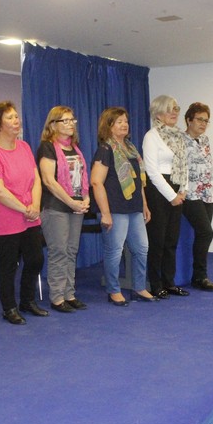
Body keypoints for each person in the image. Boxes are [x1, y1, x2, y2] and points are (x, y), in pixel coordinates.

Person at [0, 101, 47, 325]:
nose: (16, 121)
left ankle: (27, 301)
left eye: (16, 116)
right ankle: (9, 307)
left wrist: (35, 205)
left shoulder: (25, 147)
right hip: (7, 217)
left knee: (36, 259)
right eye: (10, 117)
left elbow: (36, 179)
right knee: (8, 265)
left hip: (31, 214)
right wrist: (24, 208)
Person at [91, 107, 154, 306]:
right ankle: (113, 290)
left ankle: (139, 287)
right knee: (115, 251)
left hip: (134, 207)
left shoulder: (131, 148)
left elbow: (139, 182)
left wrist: (144, 205)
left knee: (142, 248)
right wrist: (105, 213)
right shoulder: (105, 149)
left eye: (126, 121)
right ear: (108, 126)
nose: (124, 124)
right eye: (119, 121)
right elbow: (96, 182)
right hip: (115, 208)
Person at [36, 106, 90, 313]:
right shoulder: (47, 147)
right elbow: (49, 181)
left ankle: (69, 294)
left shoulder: (75, 148)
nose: (70, 124)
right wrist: (71, 202)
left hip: (76, 206)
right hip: (56, 207)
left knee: (71, 251)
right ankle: (57, 297)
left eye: (72, 120)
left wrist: (85, 198)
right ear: (53, 125)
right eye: (64, 120)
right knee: (59, 251)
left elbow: (82, 179)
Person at [142, 95, 189, 299]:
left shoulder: (178, 136)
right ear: (158, 113)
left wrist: (183, 189)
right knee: (158, 240)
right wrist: (171, 195)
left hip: (177, 188)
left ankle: (169, 282)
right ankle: (156, 284)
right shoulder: (151, 136)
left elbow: (184, 164)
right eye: (170, 109)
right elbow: (152, 171)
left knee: (171, 239)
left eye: (176, 109)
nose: (174, 113)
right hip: (159, 191)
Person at [182, 102, 213, 292]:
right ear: (189, 120)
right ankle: (200, 276)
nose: (203, 124)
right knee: (206, 232)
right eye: (199, 119)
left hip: (206, 193)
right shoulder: (180, 140)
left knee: (202, 234)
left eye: (206, 121)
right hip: (189, 194)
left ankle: (200, 275)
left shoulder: (205, 140)